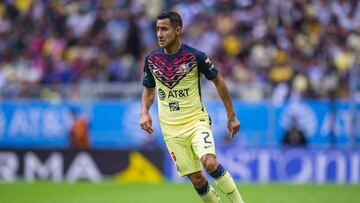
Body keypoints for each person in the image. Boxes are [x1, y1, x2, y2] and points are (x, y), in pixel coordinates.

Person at [140, 11, 244, 203]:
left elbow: (219, 82)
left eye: (164, 29)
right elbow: (148, 89)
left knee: (210, 162)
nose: (159, 34)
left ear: (178, 31)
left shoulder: (195, 57)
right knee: (197, 179)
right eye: (157, 29)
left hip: (196, 121)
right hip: (171, 130)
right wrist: (144, 112)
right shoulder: (152, 60)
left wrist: (232, 115)